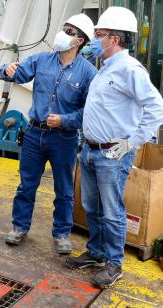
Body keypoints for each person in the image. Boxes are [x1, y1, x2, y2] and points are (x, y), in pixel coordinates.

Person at [66, 7, 163, 288]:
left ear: (115, 39)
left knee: (111, 211)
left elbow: (156, 106)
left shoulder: (129, 69)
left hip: (112, 153)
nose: (93, 40)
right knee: (92, 207)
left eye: (99, 35)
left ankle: (113, 263)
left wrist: (131, 143)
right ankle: (96, 253)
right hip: (92, 150)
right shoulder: (105, 68)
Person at [0, 14, 97, 254]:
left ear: (80, 41)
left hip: (64, 139)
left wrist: (65, 120)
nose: (63, 33)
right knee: (26, 185)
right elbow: (14, 74)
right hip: (34, 134)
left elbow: (89, 111)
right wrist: (6, 69)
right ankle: (20, 227)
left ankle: (62, 232)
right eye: (64, 28)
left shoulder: (88, 73)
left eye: (69, 31)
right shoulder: (42, 60)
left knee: (63, 189)